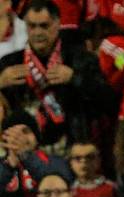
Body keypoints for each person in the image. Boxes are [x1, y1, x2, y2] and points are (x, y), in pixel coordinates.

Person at [0, 0, 116, 154]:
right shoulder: (9, 63)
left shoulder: (81, 60)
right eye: (32, 26)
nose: (37, 32)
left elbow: (109, 100)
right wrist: (0, 83)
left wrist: (75, 78)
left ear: (57, 25)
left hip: (72, 149)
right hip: (23, 149)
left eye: (44, 26)